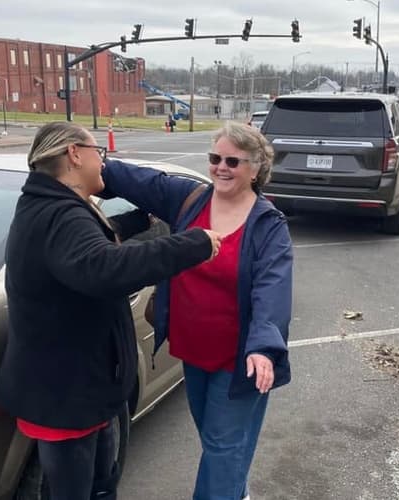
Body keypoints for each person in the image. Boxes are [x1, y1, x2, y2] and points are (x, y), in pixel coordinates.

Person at [0, 122, 222, 500]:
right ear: (74, 153)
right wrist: (193, 244)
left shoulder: (54, 205)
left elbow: (77, 253)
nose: (104, 161)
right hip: (67, 396)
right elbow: (101, 267)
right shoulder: (59, 214)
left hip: (87, 388)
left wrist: (134, 223)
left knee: (102, 486)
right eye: (98, 151)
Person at [101, 121, 293, 500]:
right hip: (193, 351)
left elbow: (272, 289)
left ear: (255, 169)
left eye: (233, 161)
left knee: (222, 447)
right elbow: (143, 182)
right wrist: (92, 160)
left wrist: (263, 346)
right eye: (215, 158)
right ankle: (235, 493)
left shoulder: (268, 225)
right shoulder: (190, 200)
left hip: (240, 358)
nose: (221, 167)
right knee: (216, 437)